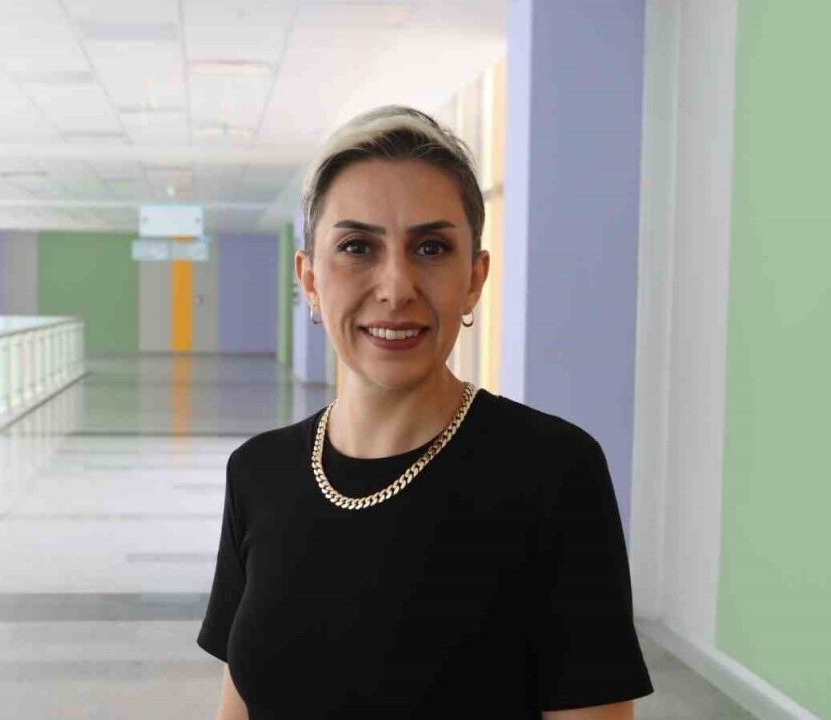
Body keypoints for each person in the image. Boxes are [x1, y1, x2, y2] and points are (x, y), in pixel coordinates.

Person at [197, 105, 653, 719]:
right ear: (310, 280)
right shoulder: (259, 473)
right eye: (357, 246)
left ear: (474, 278)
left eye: (431, 248)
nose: (396, 287)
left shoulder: (553, 473)